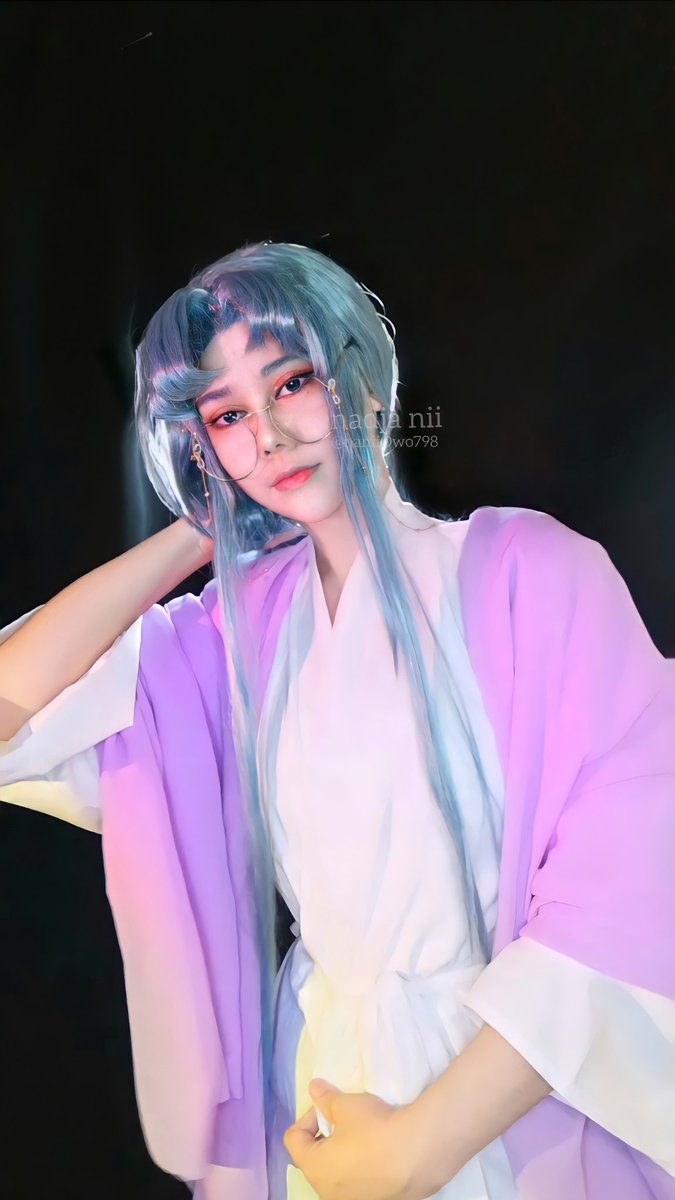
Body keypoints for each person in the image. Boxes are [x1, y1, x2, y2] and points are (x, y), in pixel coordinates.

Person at [1, 241, 674, 1200]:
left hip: (501, 1091)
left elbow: (633, 869)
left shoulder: (529, 572)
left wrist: (422, 1144)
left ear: (358, 376)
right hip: (318, 1092)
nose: (271, 435)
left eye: (292, 382)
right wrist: (202, 528)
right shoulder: (235, 638)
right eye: (228, 415)